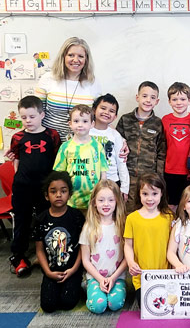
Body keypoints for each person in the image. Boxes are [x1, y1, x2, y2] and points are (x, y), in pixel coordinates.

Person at [9, 96, 61, 277]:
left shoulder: (52, 135)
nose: (28, 121)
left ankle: (48, 253)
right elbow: (16, 159)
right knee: (22, 221)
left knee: (46, 220)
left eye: (31, 116)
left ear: (42, 115)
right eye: (24, 117)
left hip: (44, 188)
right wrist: (18, 178)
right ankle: (18, 256)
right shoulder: (17, 137)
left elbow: (56, 159)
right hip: (23, 186)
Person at [34, 171, 85, 313]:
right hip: (51, 270)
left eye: (63, 191)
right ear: (46, 196)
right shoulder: (41, 219)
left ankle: (77, 287)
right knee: (48, 306)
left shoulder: (76, 216)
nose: (58, 195)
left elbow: (82, 246)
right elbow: (39, 250)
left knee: (67, 303)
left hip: (72, 270)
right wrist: (48, 272)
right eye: (53, 192)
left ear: (69, 194)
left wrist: (74, 269)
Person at [35, 37, 101, 142]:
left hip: (79, 143)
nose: (75, 60)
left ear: (86, 59)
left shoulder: (92, 83)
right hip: (47, 142)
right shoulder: (48, 78)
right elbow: (34, 112)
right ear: (63, 57)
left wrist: (118, 139)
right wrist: (20, 139)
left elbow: (99, 117)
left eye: (80, 56)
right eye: (71, 55)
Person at [123, 173, 173, 305]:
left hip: (166, 274)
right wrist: (130, 262)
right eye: (145, 194)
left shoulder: (168, 217)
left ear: (162, 193)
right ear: (139, 194)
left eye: (154, 194)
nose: (149, 199)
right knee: (147, 306)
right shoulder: (132, 218)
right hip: (142, 276)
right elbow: (128, 245)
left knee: (170, 306)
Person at [116, 81, 165, 212]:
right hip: (127, 176)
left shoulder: (158, 123)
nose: (148, 100)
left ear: (157, 101)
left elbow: (161, 153)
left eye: (152, 97)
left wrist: (158, 178)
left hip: (149, 178)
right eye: (144, 96)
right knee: (127, 211)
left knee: (146, 210)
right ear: (137, 97)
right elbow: (117, 147)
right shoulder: (125, 120)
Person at [80, 180, 127, 314]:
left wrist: (113, 278)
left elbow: (126, 258)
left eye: (111, 200)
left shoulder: (122, 226)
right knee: (99, 307)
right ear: (94, 202)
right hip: (95, 277)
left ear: (117, 201)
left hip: (117, 277)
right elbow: (85, 260)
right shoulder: (88, 228)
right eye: (101, 200)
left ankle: (102, 289)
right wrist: (100, 279)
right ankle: (88, 287)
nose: (106, 204)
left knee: (115, 304)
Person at [53, 104, 108, 212]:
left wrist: (102, 193)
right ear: (70, 124)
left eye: (85, 121)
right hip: (71, 201)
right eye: (76, 121)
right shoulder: (65, 147)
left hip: (93, 201)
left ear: (92, 124)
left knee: (91, 229)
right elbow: (58, 175)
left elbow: (103, 173)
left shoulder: (97, 146)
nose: (80, 125)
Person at [162, 82, 190, 212]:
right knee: (172, 204)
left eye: (183, 99)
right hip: (171, 170)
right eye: (175, 99)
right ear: (169, 101)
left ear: (189, 101)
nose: (179, 102)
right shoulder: (165, 120)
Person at [90, 93, 130, 201]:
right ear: (94, 110)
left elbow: (121, 162)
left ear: (115, 116)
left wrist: (125, 188)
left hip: (112, 181)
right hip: (89, 180)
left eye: (111, 111)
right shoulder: (85, 131)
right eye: (103, 108)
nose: (107, 112)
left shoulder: (115, 135)